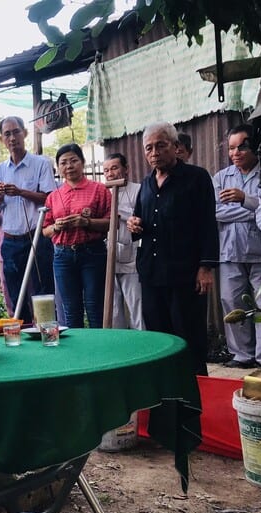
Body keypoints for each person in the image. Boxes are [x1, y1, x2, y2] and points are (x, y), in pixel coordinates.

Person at [128, 122, 219, 375]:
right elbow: (140, 223)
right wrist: (134, 224)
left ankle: (195, 391)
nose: (154, 152)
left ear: (176, 146)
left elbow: (207, 224)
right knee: (159, 339)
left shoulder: (196, 178)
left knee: (189, 337)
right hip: (152, 274)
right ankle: (165, 390)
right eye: (149, 148)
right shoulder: (146, 184)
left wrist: (206, 267)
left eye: (161, 145)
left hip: (185, 275)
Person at [0, 116, 56, 320]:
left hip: (36, 237)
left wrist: (20, 192)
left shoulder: (40, 164)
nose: (12, 138)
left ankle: (47, 332)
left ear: (24, 133)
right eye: (7, 134)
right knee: (16, 296)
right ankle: (23, 334)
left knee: (43, 292)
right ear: (1, 139)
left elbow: (50, 198)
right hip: (10, 241)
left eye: (16, 132)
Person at [42, 143, 111, 328]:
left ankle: (99, 345)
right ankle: (78, 346)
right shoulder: (53, 196)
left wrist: (86, 222)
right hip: (62, 256)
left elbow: (111, 223)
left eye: (73, 161)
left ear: (83, 162)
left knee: (95, 307)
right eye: (63, 163)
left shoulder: (99, 190)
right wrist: (56, 227)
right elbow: (45, 230)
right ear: (58, 168)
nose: (69, 166)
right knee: (71, 310)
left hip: (92, 253)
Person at [214, 124, 261, 368]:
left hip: (259, 252)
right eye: (231, 148)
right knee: (231, 302)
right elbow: (214, 211)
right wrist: (253, 208)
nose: (235, 153)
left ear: (253, 146)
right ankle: (242, 355)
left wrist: (244, 199)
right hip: (230, 251)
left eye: (241, 147)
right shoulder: (221, 177)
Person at [103, 153, 144, 330]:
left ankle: (143, 341)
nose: (110, 173)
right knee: (113, 309)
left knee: (137, 305)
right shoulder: (104, 192)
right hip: (109, 257)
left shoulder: (139, 190)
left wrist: (119, 211)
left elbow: (141, 216)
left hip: (132, 258)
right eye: (106, 170)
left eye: (114, 168)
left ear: (126, 169)